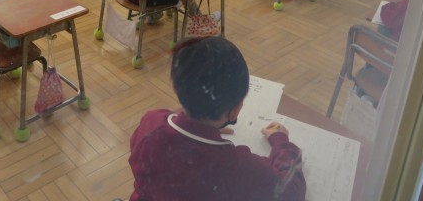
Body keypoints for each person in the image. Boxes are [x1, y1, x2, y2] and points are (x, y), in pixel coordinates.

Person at [128, 36, 306, 201]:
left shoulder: (150, 123)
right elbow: (291, 192)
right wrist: (281, 140)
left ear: (175, 89)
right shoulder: (232, 165)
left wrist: (199, 123)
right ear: (235, 111)